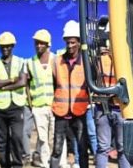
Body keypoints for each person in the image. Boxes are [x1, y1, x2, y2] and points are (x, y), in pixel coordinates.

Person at [51, 21, 89, 168]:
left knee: (82, 148)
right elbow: (54, 84)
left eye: (73, 42)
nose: (69, 46)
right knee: (57, 149)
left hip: (79, 112)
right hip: (60, 112)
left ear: (79, 42)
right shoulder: (57, 61)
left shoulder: (85, 62)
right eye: (67, 42)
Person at [92, 28, 131, 168]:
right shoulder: (127, 60)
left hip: (103, 108)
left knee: (103, 148)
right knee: (123, 149)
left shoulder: (98, 59)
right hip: (121, 109)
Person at [0, 31, 27, 168]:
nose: (5, 48)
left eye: (8, 46)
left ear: (13, 46)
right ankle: (4, 165)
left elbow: (22, 82)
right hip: (0, 108)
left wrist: (3, 85)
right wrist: (12, 80)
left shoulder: (21, 62)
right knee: (2, 141)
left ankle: (17, 165)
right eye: (2, 46)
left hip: (16, 107)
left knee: (17, 138)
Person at [25, 29, 55, 168]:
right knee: (43, 138)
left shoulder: (55, 60)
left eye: (41, 43)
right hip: (38, 107)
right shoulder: (30, 62)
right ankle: (45, 163)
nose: (38, 46)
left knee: (54, 136)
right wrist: (31, 105)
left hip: (54, 106)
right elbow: (26, 84)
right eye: (36, 43)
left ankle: (56, 162)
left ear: (48, 44)